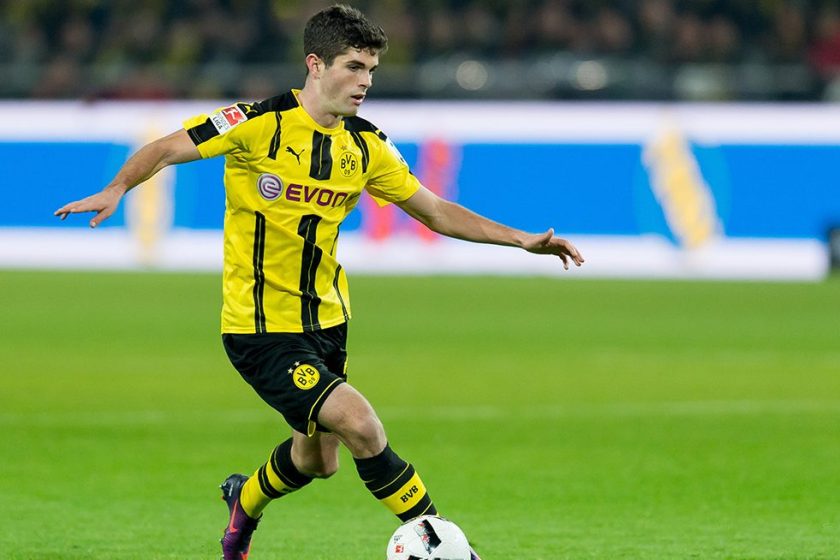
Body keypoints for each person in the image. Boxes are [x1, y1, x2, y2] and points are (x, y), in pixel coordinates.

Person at [55, 5, 584, 559]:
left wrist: (522, 238)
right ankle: (446, 545)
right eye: (354, 67)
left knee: (317, 461)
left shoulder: (367, 146)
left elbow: (435, 211)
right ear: (315, 63)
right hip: (259, 329)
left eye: (372, 70)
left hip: (329, 323)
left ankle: (244, 502)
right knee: (361, 425)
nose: (365, 82)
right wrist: (116, 188)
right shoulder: (255, 124)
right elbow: (165, 148)